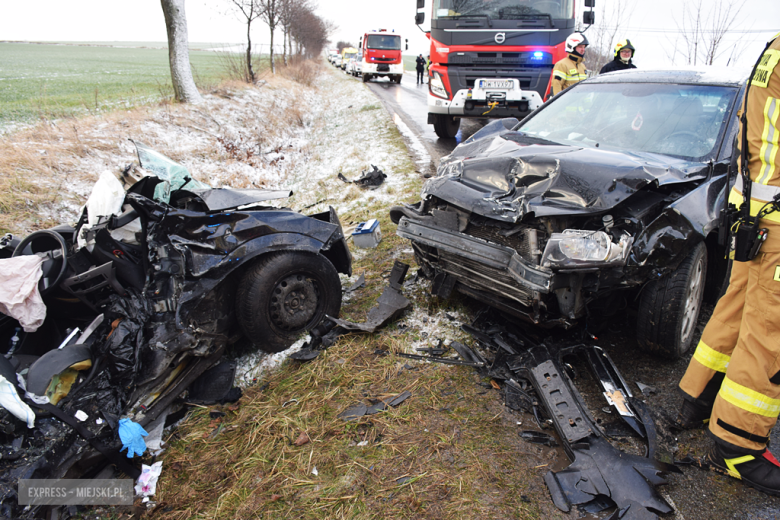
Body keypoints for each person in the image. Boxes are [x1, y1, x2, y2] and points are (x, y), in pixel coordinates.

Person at [677, 32, 780, 496]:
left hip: (755, 214)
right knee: (770, 336)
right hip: (773, 222)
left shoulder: (774, 47)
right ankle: (737, 445)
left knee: (737, 310)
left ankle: (697, 396)